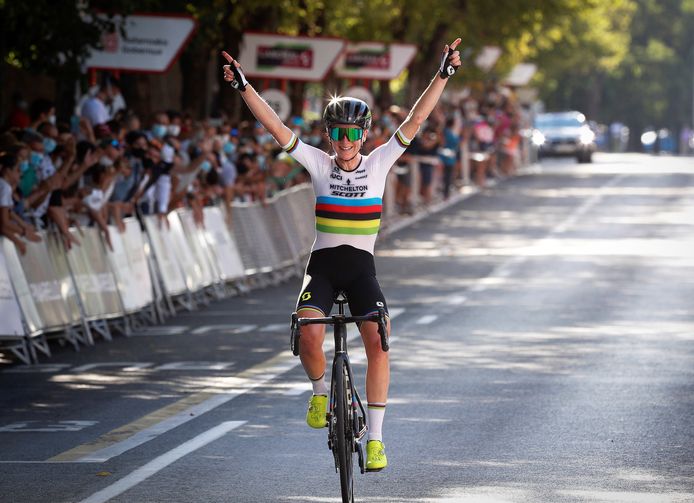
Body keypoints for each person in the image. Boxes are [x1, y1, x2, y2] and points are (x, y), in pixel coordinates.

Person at [222, 37, 462, 472]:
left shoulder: (380, 163)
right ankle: (319, 393)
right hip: (324, 267)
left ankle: (376, 439)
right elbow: (276, 127)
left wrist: (442, 74)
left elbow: (417, 116)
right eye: (337, 132)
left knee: (379, 340)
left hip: (361, 270)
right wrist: (244, 87)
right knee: (308, 333)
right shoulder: (317, 162)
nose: (345, 140)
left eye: (353, 133)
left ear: (364, 134)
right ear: (328, 135)